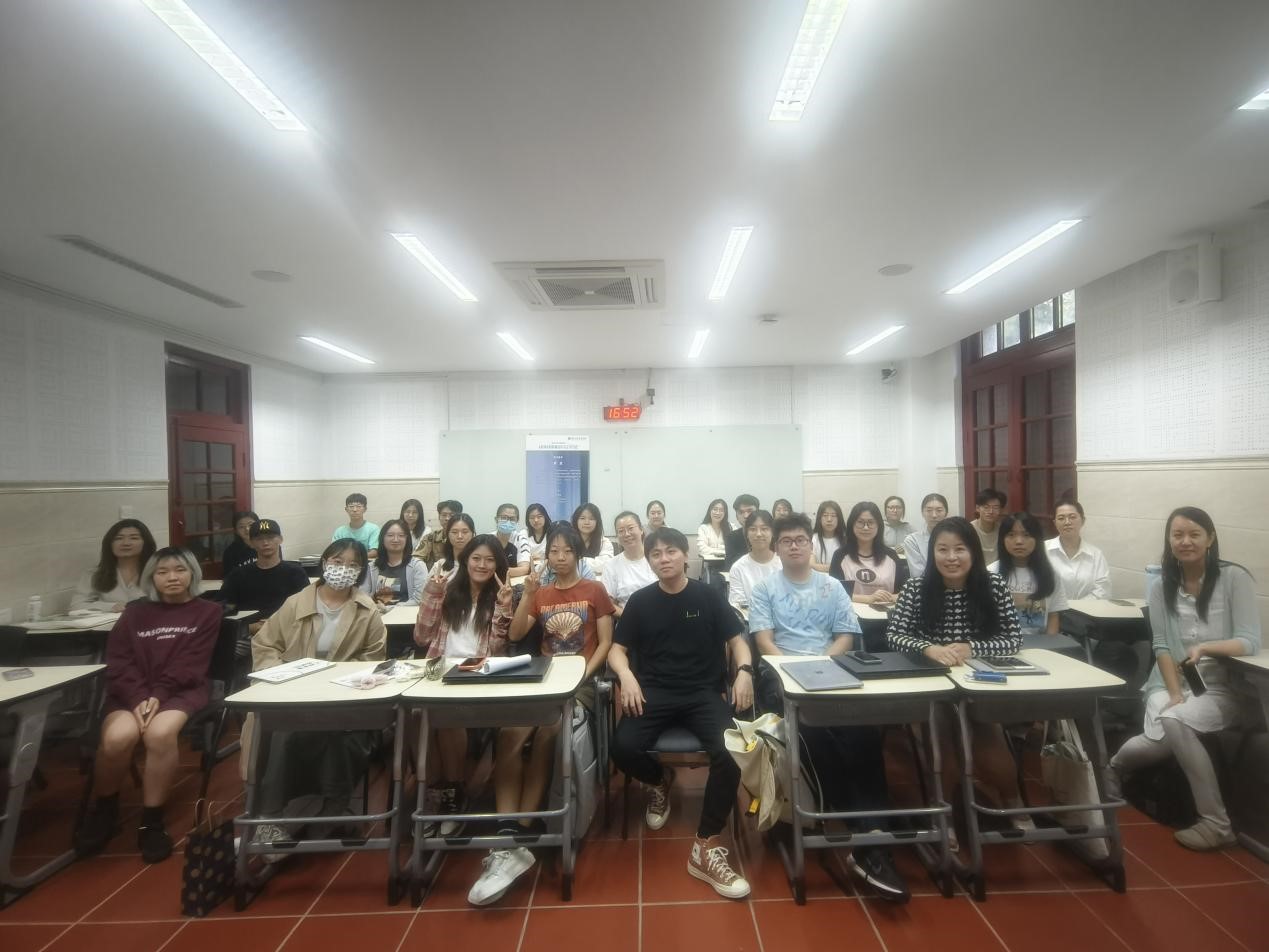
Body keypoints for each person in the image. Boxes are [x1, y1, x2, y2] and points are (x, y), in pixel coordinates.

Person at [750, 513, 909, 901]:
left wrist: (822, 667)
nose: (794, 546)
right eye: (786, 540)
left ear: (811, 544)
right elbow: (765, 642)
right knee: (812, 736)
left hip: (832, 673)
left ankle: (871, 836)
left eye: (800, 539)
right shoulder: (765, 588)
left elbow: (845, 638)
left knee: (863, 737)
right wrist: (796, 672)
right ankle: (868, 836)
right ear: (777, 546)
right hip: (784, 677)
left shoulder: (833, 586)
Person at [610, 527, 754, 899]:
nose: (664, 559)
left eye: (671, 551)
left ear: (685, 554)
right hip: (653, 692)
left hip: (702, 693)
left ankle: (705, 844)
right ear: (649, 560)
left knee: (731, 752)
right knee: (622, 747)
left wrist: (744, 672)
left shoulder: (708, 595)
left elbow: (737, 641)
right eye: (656, 554)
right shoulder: (641, 601)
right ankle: (659, 781)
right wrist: (626, 676)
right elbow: (617, 650)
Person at [476, 525, 614, 904]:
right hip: (544, 679)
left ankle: (522, 831)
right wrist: (530, 595)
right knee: (510, 733)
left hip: (580, 683)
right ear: (547, 555)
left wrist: (584, 674)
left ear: (578, 554)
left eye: (567, 551)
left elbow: (605, 643)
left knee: (549, 732)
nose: (560, 557)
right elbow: (516, 633)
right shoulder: (542, 592)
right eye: (554, 551)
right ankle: (507, 831)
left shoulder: (594, 591)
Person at [1108, 507, 1260, 851]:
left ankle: (1114, 769)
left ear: (1211, 538)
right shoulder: (1162, 584)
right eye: (1178, 535)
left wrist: (1206, 648)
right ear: (1169, 540)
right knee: (1167, 726)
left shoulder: (1234, 578)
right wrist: (1175, 693)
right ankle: (1114, 771)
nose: (1185, 541)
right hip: (1169, 681)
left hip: (1222, 687)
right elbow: (1161, 645)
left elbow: (1249, 640)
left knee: (1171, 725)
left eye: (1194, 534)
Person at [74, 548, 220, 863]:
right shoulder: (134, 613)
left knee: (159, 733)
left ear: (192, 573)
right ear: (151, 577)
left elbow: (192, 663)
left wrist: (159, 694)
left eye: (180, 570)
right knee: (117, 737)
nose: (172, 577)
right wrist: (139, 697)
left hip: (182, 690)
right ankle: (105, 809)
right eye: (162, 572)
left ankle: (151, 820)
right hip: (131, 693)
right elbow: (119, 661)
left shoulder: (208, 612)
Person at [886, 517, 1029, 830]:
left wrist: (971, 648)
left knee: (988, 739)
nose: (951, 557)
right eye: (943, 549)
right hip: (932, 682)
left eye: (960, 549)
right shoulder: (915, 588)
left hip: (979, 682)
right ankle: (944, 811)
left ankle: (1012, 800)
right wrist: (929, 649)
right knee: (942, 738)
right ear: (932, 553)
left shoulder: (993, 586)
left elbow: (1014, 639)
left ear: (973, 552)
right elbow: (895, 635)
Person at [247, 540, 386, 852]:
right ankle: (271, 815)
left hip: (344, 698)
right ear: (324, 562)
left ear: (361, 571)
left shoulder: (367, 610)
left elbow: (373, 659)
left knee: (342, 735)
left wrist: (350, 679)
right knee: (284, 732)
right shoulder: (296, 603)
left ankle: (332, 808)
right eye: (337, 561)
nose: (343, 569)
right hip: (293, 695)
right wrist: (279, 675)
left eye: (353, 565)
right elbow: (265, 644)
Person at [414, 535, 515, 845]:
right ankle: (435, 791)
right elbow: (422, 637)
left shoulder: (500, 595)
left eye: (489, 560)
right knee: (415, 716)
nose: (482, 565)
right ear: (465, 560)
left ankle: (454, 791)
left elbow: (498, 649)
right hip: (439, 670)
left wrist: (504, 608)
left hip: (477, 673)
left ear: (498, 565)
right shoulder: (446, 590)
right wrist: (432, 594)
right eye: (476, 558)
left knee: (446, 717)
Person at [220, 519, 310, 636]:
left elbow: (306, 608)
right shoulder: (238, 575)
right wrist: (247, 627)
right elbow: (223, 607)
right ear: (251, 543)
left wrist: (276, 624)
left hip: (287, 631)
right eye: (259, 539)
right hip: (249, 633)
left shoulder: (295, 573)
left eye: (271, 537)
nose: (265, 543)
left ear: (280, 539)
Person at [989, 512, 1068, 634]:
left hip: (1039, 643)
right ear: (1002, 539)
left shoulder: (1050, 574)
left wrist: (1050, 644)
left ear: (1037, 539)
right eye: (1011, 535)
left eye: (1026, 535)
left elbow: (1053, 615)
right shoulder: (991, 572)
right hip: (1001, 642)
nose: (1019, 541)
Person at [830, 501, 908, 606]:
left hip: (886, 613)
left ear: (879, 525)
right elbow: (834, 593)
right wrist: (869, 598)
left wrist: (890, 597)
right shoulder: (840, 555)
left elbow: (904, 593)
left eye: (871, 522)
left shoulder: (891, 556)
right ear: (852, 525)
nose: (866, 527)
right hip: (852, 613)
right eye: (860, 522)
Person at [71, 519, 157, 612]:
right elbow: (76, 606)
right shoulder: (94, 574)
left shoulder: (158, 571)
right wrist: (111, 607)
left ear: (145, 543)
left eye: (134, 538)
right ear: (110, 544)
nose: (126, 543)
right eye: (119, 538)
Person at [1045, 500, 1111, 600]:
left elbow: (1103, 590)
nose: (1067, 522)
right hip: (1051, 609)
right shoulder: (1042, 550)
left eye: (1072, 517)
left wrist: (1077, 606)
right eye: (1061, 518)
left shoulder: (1095, 554)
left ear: (1083, 520)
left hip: (1087, 609)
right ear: (1055, 523)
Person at [602, 510, 658, 615]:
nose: (627, 534)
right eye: (621, 531)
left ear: (641, 530)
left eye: (631, 528)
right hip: (627, 619)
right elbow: (608, 604)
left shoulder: (656, 558)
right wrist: (630, 618)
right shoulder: (611, 565)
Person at [726, 510, 781, 611]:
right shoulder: (738, 568)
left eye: (764, 529)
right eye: (753, 529)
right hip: (750, 620)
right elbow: (738, 608)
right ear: (746, 533)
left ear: (773, 532)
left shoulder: (784, 564)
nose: (758, 534)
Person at [363, 519, 426, 605]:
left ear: (407, 539)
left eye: (401, 535)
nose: (395, 540)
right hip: (376, 611)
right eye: (390, 535)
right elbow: (363, 597)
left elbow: (419, 600)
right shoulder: (371, 567)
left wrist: (389, 609)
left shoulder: (417, 566)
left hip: (405, 612)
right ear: (382, 538)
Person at [902, 494, 949, 578]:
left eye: (939, 510)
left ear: (946, 513)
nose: (934, 515)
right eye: (929, 510)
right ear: (922, 513)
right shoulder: (913, 540)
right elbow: (918, 574)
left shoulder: (956, 538)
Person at [428, 513, 476, 583]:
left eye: (465, 532)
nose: (460, 536)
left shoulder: (479, 565)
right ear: (448, 535)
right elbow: (425, 589)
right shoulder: (439, 565)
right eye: (454, 532)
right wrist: (435, 586)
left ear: (473, 534)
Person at [414, 499, 462, 567]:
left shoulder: (465, 537)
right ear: (439, 517)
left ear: (459, 517)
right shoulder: (431, 538)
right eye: (444, 515)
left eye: (451, 515)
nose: (447, 518)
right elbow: (416, 559)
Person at [333, 493, 381, 560]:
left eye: (358, 506)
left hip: (366, 563)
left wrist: (353, 558)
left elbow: (374, 552)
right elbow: (334, 551)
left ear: (365, 509)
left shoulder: (373, 529)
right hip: (344, 563)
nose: (355, 510)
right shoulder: (339, 531)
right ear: (346, 509)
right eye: (351, 506)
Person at [572, 502, 614, 576]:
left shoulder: (604, 542)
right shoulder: (568, 540)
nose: (587, 522)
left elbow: (606, 565)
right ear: (576, 520)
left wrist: (579, 561)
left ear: (597, 522)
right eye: (582, 518)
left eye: (591, 519)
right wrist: (595, 564)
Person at [696, 497, 731, 583]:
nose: (718, 512)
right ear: (710, 511)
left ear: (725, 513)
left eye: (721, 510)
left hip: (730, 564)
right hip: (711, 566)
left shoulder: (731, 527)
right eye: (715, 509)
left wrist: (714, 550)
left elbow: (735, 548)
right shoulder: (703, 528)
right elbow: (702, 549)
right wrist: (722, 550)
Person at [493, 502, 532, 578]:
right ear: (496, 519)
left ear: (517, 521)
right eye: (504, 517)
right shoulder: (488, 539)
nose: (508, 521)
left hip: (513, 582)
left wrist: (494, 570)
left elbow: (525, 569)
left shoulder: (520, 539)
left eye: (512, 519)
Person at [971, 489, 1007, 568]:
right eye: (986, 507)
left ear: (1001, 510)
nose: (991, 511)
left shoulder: (1003, 530)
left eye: (995, 507)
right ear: (977, 508)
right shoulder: (969, 529)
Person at [723, 494, 759, 569]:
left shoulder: (770, 535)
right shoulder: (731, 537)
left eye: (750, 511)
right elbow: (730, 565)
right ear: (737, 516)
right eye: (741, 512)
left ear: (758, 512)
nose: (746, 516)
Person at [811, 500, 847, 572]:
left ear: (839, 519)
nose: (829, 519)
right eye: (825, 515)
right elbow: (811, 565)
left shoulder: (845, 539)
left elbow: (848, 566)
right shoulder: (813, 539)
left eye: (833, 516)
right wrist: (837, 567)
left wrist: (819, 567)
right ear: (819, 518)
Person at [223, 510, 260, 577]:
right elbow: (229, 578)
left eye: (251, 524)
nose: (247, 529)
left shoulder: (269, 545)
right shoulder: (230, 552)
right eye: (241, 527)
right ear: (236, 531)